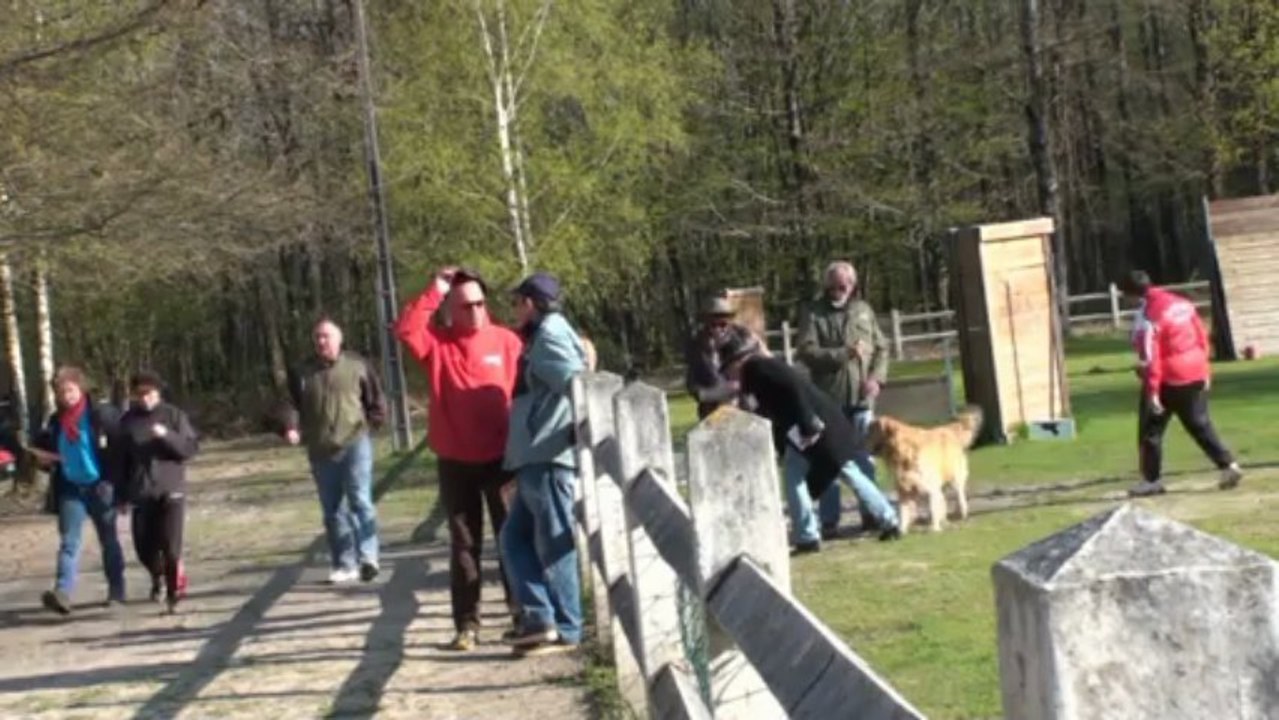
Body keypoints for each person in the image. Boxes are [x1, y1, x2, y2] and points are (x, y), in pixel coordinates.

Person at [393, 266, 523, 651]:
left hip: (502, 459)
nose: (475, 312)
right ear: (450, 309)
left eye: (480, 304)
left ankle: (522, 614)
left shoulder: (507, 342)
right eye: (466, 306)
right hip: (455, 460)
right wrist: (436, 289)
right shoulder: (438, 345)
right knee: (464, 545)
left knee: (512, 538)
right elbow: (407, 329)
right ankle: (467, 624)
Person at [716, 331, 902, 551]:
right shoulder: (756, 374)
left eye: (728, 369)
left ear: (738, 361)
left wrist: (807, 422)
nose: (728, 375)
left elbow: (794, 387)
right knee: (838, 473)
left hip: (815, 427)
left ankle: (808, 536)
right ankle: (887, 520)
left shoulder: (759, 368)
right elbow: (774, 411)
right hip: (810, 430)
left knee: (811, 477)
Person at [500, 272, 589, 657]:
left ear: (530, 303)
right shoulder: (545, 334)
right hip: (536, 455)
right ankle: (541, 618)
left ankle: (567, 627)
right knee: (514, 538)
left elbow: (576, 383)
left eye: (517, 302)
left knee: (553, 545)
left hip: (548, 455)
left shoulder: (549, 335)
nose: (514, 310)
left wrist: (570, 428)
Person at [281, 317, 386, 584]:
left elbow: (375, 398)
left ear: (339, 339)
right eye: (317, 337)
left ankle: (368, 557)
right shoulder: (302, 372)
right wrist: (291, 427)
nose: (321, 341)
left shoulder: (357, 364)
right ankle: (344, 563)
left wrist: (373, 422)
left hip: (354, 442)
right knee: (332, 509)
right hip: (320, 448)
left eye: (326, 336)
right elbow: (290, 403)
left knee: (360, 500)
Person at [1120, 270, 1243, 497]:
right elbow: (1201, 336)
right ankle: (1228, 465)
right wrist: (1205, 369)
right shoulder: (1183, 303)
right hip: (1194, 370)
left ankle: (1151, 480)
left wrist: (1153, 390)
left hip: (1168, 376)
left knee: (1150, 430)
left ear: (1131, 293)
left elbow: (1152, 355)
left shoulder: (1148, 315)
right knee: (1199, 424)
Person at [796, 261, 890, 538]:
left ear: (852, 285)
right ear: (827, 285)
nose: (840, 289)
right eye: (835, 285)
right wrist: (842, 354)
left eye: (845, 285)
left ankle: (871, 514)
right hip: (829, 400)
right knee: (829, 461)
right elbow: (806, 351)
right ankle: (829, 521)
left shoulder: (863, 310)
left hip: (861, 400)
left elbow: (882, 348)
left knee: (864, 460)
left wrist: (876, 379)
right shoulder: (813, 312)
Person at [34, 367, 126, 615]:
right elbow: (48, 454)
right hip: (70, 488)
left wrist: (118, 485)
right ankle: (62, 592)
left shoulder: (101, 415)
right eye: (61, 392)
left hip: (100, 486)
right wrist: (44, 461)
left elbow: (120, 450)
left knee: (108, 540)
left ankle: (116, 591)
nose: (67, 396)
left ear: (81, 388)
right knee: (68, 543)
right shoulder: (55, 422)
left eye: (71, 390)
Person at [117, 371, 198, 614]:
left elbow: (189, 448)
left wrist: (167, 436)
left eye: (149, 393)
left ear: (158, 393)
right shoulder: (128, 421)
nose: (145, 398)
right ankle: (157, 576)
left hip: (171, 489)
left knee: (171, 547)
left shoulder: (173, 415)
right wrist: (121, 495)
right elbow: (122, 460)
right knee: (144, 548)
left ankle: (173, 593)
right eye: (140, 394)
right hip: (142, 491)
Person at [685, 294, 766, 420]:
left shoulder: (744, 337)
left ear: (730, 322)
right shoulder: (697, 346)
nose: (718, 329)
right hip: (713, 400)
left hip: (746, 399)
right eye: (713, 325)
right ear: (706, 323)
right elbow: (697, 387)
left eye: (723, 324)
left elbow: (759, 364)